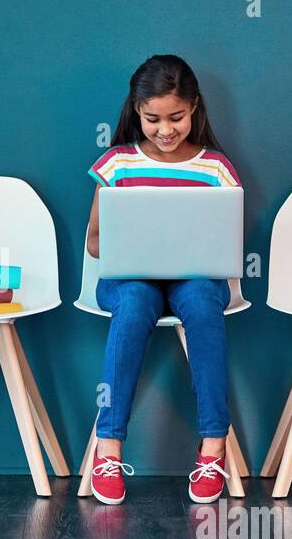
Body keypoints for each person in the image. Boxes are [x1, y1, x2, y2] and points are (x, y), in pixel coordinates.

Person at [84, 54, 242, 506]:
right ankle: (108, 447)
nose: (165, 130)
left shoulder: (215, 168)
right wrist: (135, 244)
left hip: (196, 280)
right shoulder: (117, 164)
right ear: (137, 111)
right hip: (130, 279)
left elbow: (227, 242)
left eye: (176, 117)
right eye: (153, 119)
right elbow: (94, 242)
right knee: (134, 301)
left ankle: (214, 447)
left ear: (194, 108)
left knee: (201, 303)